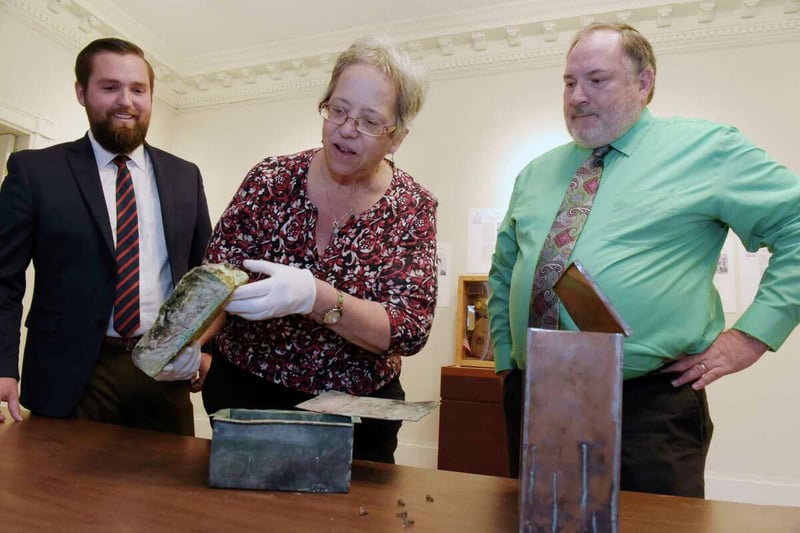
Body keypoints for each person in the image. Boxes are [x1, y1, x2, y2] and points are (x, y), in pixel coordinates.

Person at [488, 22, 800, 497]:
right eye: (569, 83)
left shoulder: (708, 150)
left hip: (646, 407)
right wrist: (509, 361)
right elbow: (505, 269)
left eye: (597, 80)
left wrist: (750, 337)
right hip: (539, 400)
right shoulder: (536, 173)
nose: (576, 97)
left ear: (644, 83)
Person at [199, 36, 437, 464]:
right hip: (248, 396)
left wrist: (318, 297)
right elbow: (216, 279)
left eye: (369, 120)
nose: (347, 128)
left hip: (356, 414)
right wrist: (188, 344)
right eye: (339, 110)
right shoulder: (270, 179)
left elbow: (409, 328)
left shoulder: (412, 207)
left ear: (397, 137)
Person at [0, 38, 212, 435]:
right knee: (59, 494)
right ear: (82, 92)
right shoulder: (35, 172)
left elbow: (206, 274)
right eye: (109, 87)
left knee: (163, 493)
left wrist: (208, 349)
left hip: (163, 372)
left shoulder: (186, 175)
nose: (126, 102)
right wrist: (1, 366)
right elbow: (3, 280)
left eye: (138, 90)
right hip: (70, 375)